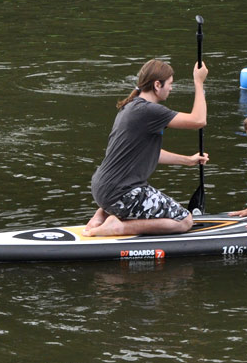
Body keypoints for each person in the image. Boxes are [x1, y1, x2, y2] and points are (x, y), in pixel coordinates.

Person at [84, 58, 209, 237]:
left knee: (136, 192)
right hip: (122, 193)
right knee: (184, 221)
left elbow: (150, 153)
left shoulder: (130, 107)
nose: (171, 88)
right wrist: (198, 82)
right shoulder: (149, 111)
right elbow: (199, 120)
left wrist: (188, 160)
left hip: (102, 188)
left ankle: (101, 216)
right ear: (157, 85)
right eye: (170, 84)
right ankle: (119, 227)